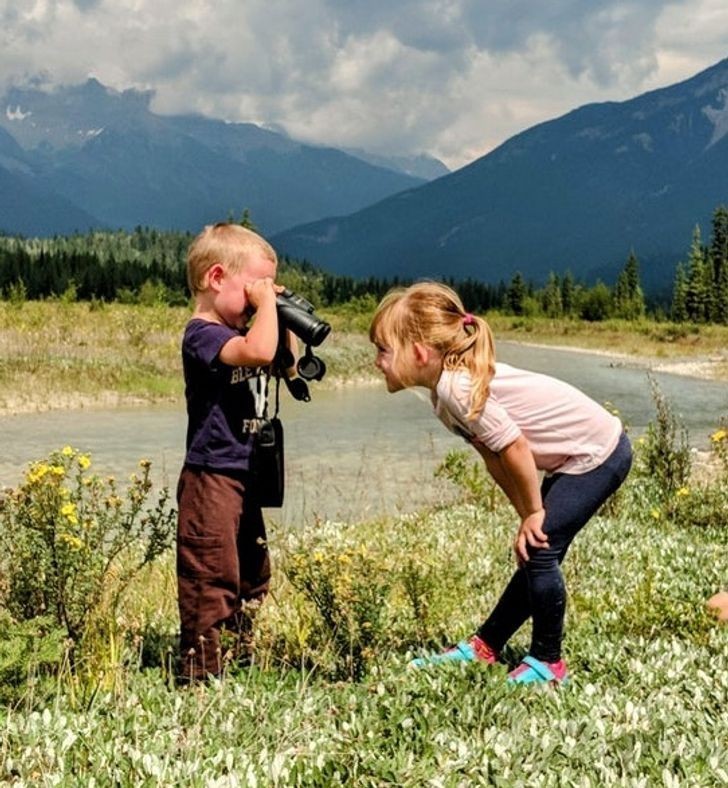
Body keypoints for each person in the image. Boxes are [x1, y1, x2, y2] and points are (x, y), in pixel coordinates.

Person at [369, 282, 632, 685]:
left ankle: (549, 661)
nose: (377, 361)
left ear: (420, 352)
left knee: (540, 550)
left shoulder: (456, 387)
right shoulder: (443, 394)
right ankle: (485, 646)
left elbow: (515, 447)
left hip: (598, 453)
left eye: (384, 350)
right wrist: (526, 515)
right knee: (534, 546)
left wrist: (533, 514)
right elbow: (493, 456)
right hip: (577, 456)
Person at [176, 222, 293, 683]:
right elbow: (258, 351)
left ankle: (240, 654)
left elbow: (281, 360)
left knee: (251, 570)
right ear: (216, 277)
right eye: (252, 291)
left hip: (244, 472)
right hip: (210, 476)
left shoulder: (245, 330)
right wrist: (266, 311)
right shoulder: (202, 334)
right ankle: (199, 673)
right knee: (211, 573)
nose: (257, 301)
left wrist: (278, 312)